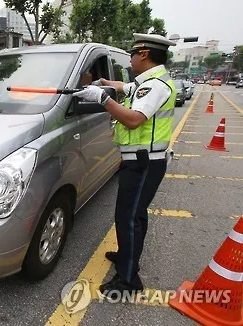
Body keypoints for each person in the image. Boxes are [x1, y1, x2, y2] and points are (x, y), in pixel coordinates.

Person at [73, 33, 177, 297]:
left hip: (144, 163)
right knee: (135, 215)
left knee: (129, 218)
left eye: (132, 55)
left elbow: (132, 120)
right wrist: (104, 83)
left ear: (144, 54)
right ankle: (125, 257)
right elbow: (125, 88)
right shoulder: (149, 83)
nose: (129, 60)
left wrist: (102, 99)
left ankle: (128, 280)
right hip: (143, 162)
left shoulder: (155, 86)